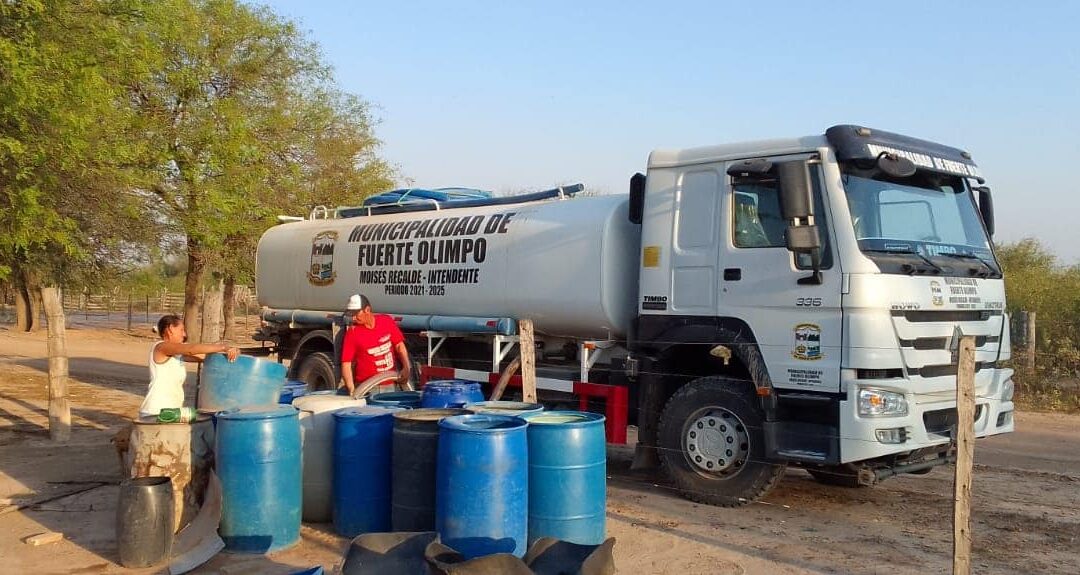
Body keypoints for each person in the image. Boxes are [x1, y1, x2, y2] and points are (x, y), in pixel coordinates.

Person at [138, 314, 241, 419]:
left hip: (171, 413)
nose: (184, 334)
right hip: (155, 412)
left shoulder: (177, 354)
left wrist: (233, 351)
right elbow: (190, 349)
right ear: (170, 329)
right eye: (181, 330)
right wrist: (223, 347)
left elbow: (207, 357)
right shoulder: (161, 347)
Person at [340, 294, 412, 397]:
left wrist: (406, 367)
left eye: (356, 314)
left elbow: (399, 345)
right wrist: (351, 389)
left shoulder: (386, 321)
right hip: (368, 389)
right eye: (352, 314)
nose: (354, 318)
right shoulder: (352, 333)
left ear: (367, 310)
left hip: (391, 385)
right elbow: (346, 364)